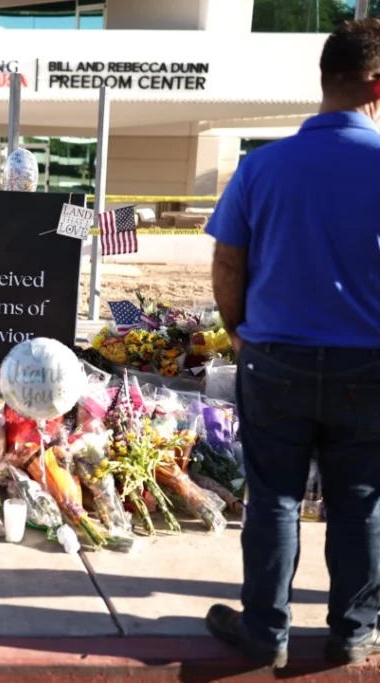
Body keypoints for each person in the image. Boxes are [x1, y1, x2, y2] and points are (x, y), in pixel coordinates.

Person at [203, 19, 380, 669]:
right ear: (377, 87)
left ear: (324, 81)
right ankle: (352, 630)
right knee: (360, 497)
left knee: (274, 495)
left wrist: (238, 329)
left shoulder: (263, 166)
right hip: (370, 361)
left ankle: (265, 631)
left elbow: (227, 262)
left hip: (274, 355)